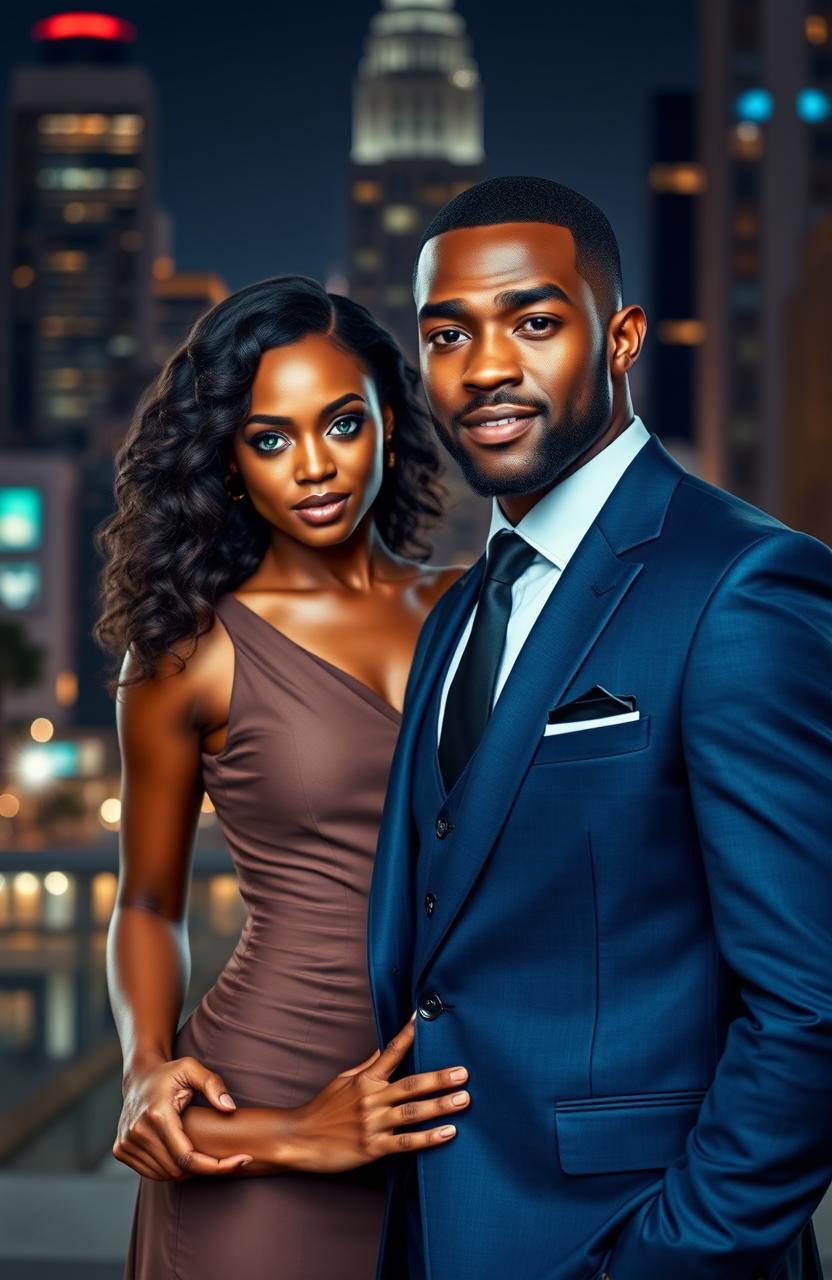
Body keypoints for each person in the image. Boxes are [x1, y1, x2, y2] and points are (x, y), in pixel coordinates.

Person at [367, 176, 832, 1280]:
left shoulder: (742, 583)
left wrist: (663, 1262)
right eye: (446, 333)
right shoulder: (457, 616)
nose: (484, 365)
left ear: (620, 337)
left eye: (533, 321)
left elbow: (813, 1005)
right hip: (432, 1237)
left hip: (629, 1245)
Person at [94, 276, 472, 1280]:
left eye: (341, 423)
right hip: (259, 1106)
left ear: (389, 419)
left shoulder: (481, 606)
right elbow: (148, 897)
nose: (313, 465)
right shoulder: (190, 652)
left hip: (463, 1108)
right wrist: (144, 1067)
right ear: (227, 460)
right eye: (268, 438)